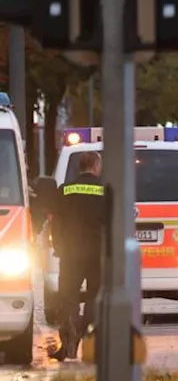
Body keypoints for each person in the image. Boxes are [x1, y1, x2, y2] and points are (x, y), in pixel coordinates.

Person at [50, 151, 107, 361]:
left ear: (80, 167)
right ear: (95, 167)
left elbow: (55, 222)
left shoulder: (64, 191)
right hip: (97, 254)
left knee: (68, 298)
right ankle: (89, 340)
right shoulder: (105, 191)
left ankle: (68, 345)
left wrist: (58, 246)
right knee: (95, 297)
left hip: (70, 253)